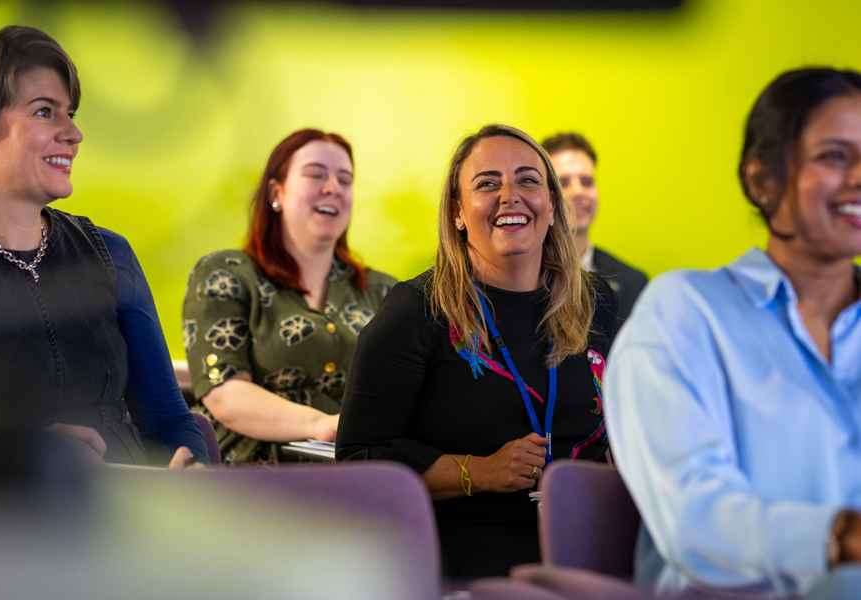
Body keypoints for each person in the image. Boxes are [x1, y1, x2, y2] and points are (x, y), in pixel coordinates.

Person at [605, 67, 861, 599]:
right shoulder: (685, 312)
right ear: (761, 180)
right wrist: (839, 539)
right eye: (835, 156)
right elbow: (693, 514)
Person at [336, 124, 618, 578]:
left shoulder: (596, 303)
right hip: (465, 561)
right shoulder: (417, 311)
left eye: (528, 180)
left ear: (551, 208)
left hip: (589, 550)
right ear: (458, 213)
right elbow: (357, 458)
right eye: (487, 183)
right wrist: (481, 471)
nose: (510, 195)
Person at [0, 26, 208, 467]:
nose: (73, 133)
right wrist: (19, 448)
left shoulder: (111, 254)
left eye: (70, 113)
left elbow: (169, 420)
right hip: (0, 520)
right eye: (44, 112)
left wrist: (189, 469)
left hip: (126, 513)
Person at [183, 129, 397, 465]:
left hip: (352, 475)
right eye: (315, 174)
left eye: (345, 179)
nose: (333, 188)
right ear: (276, 192)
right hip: (242, 474)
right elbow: (224, 394)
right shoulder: (226, 273)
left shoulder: (386, 292)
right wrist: (321, 424)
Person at [542, 132, 648, 320]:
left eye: (586, 182)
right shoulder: (520, 277)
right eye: (563, 183)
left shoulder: (634, 283)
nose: (578, 192)